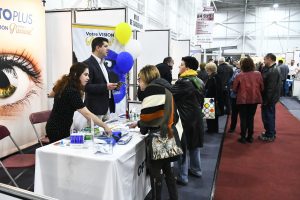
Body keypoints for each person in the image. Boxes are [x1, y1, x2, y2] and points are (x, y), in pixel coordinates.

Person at [130, 65, 180, 200]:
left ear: (146, 78)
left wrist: (142, 125)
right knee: (168, 172)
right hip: (168, 133)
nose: (139, 82)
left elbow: (147, 119)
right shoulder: (165, 89)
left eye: (139, 79)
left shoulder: (151, 91)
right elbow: (171, 116)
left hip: (158, 137)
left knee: (156, 176)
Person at [46, 62, 112, 143]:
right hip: (58, 129)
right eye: (85, 75)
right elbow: (87, 114)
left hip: (56, 125)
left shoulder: (65, 83)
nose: (88, 78)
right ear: (76, 74)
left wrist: (59, 98)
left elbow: (51, 94)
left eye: (88, 75)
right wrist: (104, 126)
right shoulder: (72, 91)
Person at [172, 56, 205, 185]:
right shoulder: (199, 80)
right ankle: (196, 170)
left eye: (181, 64)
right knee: (195, 145)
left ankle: (182, 176)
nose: (179, 67)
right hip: (197, 117)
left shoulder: (183, 82)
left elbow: (169, 92)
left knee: (182, 147)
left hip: (185, 119)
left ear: (188, 68)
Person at [84, 37, 118, 121]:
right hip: (94, 109)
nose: (108, 49)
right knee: (95, 134)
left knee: (107, 133)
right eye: (105, 46)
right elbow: (86, 87)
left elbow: (104, 83)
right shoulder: (87, 64)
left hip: (106, 107)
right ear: (97, 48)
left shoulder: (103, 64)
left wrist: (114, 86)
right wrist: (105, 87)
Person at [232, 57, 264, 143]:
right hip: (254, 99)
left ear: (242, 65)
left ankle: (243, 137)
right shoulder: (258, 74)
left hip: (242, 100)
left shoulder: (239, 75)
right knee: (251, 118)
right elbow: (262, 87)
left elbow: (234, 89)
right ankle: (250, 137)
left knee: (243, 118)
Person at [259, 53, 281, 142]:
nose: (264, 61)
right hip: (270, 97)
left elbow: (270, 88)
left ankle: (270, 135)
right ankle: (270, 132)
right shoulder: (269, 69)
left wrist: (266, 100)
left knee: (268, 116)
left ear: (270, 59)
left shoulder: (273, 71)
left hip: (269, 98)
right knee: (269, 115)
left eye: (265, 59)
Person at [205, 62, 223, 133]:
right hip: (214, 99)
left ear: (210, 69)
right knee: (214, 117)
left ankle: (211, 129)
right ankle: (214, 129)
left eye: (207, 70)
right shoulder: (216, 77)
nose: (207, 72)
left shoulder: (213, 78)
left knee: (210, 117)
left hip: (210, 99)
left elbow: (210, 89)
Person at [228, 60, 241, 133]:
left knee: (234, 113)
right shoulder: (254, 73)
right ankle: (244, 130)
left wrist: (231, 89)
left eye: (238, 64)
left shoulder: (237, 72)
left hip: (235, 95)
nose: (236, 65)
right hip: (245, 97)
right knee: (244, 115)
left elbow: (232, 81)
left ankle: (232, 128)